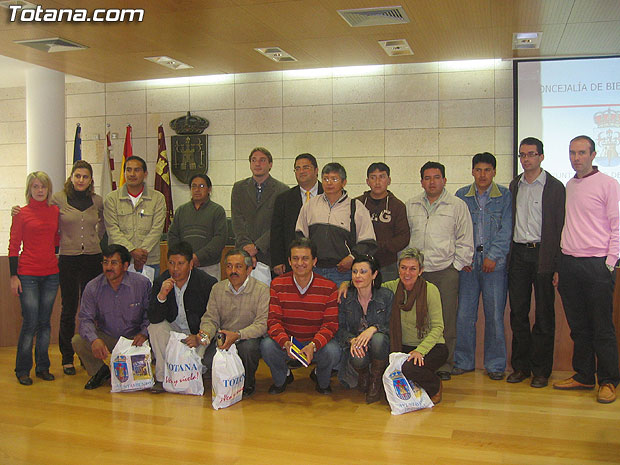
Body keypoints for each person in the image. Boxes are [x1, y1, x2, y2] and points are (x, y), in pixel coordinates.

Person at [10, 160, 106, 376]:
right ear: (71, 177)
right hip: (68, 260)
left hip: (92, 258)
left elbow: (102, 227)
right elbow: (36, 213)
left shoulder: (98, 201)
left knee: (90, 311)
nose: (81, 180)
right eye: (77, 175)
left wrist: (93, 241)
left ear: (91, 180)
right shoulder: (58, 200)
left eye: (85, 176)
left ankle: (86, 355)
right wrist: (15, 209)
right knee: (69, 309)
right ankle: (66, 358)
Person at [554, 135, 620, 404]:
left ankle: (608, 380)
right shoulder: (569, 185)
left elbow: (617, 226)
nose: (576, 158)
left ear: (593, 155)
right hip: (569, 264)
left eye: (582, 153)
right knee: (578, 327)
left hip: (597, 265)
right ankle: (583, 375)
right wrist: (560, 265)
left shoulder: (609, 184)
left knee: (602, 327)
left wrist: (610, 262)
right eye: (572, 153)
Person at [338, 248, 447, 403]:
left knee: (408, 369)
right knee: (392, 372)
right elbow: (366, 282)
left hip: (431, 347)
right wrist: (345, 284)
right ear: (398, 269)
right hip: (401, 347)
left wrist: (420, 351)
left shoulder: (430, 290)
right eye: (403, 268)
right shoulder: (391, 288)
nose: (407, 273)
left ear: (421, 271)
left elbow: (438, 327)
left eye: (412, 269)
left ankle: (435, 385)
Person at [406, 161, 473, 380]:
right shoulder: (411, 205)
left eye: (436, 177)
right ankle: (421, 361)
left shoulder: (456, 205)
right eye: (427, 177)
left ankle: (445, 364)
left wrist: (454, 267)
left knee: (445, 320)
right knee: (418, 321)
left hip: (445, 272)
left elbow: (465, 240)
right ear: (421, 181)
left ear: (444, 180)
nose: (432, 182)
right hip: (417, 274)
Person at [507, 137, 565, 388]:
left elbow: (562, 227)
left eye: (531, 154)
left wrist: (557, 265)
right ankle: (521, 366)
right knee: (518, 313)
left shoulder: (555, 187)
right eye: (522, 155)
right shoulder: (514, 185)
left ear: (541, 156)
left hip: (543, 255)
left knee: (543, 314)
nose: (526, 159)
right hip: (518, 255)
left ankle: (541, 370)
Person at [453, 152, 512, 380]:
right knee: (464, 316)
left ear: (494, 172)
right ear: (472, 172)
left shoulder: (505, 196)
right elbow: (457, 231)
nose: (482, 174)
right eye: (478, 170)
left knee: (495, 316)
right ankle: (463, 361)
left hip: (494, 267)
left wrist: (493, 256)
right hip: (468, 266)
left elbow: (507, 229)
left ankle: (496, 365)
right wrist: (463, 257)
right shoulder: (462, 196)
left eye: (487, 170)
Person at [261, 238, 341, 394]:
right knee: (267, 346)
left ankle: (320, 378)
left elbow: (330, 325)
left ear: (314, 261)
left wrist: (313, 345)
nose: (300, 263)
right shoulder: (277, 284)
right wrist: (285, 343)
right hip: (288, 343)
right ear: (289, 261)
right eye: (295, 258)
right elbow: (273, 321)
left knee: (334, 352)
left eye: (305, 258)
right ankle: (283, 376)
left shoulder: (329, 287)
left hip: (315, 344)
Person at [72, 244, 151, 390]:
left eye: (114, 263)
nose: (108, 267)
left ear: (126, 266)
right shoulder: (92, 287)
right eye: (105, 262)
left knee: (156, 335)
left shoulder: (141, 284)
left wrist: (144, 333)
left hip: (134, 338)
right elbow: (85, 319)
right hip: (108, 337)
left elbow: (151, 314)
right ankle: (101, 372)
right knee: (78, 341)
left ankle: (123, 371)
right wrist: (95, 340)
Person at [9, 171, 59, 385]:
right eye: (36, 187)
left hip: (51, 274)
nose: (40, 191)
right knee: (30, 323)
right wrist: (13, 276)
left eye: (43, 187)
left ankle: (43, 367)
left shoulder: (55, 211)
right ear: (29, 189)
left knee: (44, 323)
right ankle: (22, 369)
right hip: (27, 274)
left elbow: (57, 239)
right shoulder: (21, 213)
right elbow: (13, 246)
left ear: (49, 190)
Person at [147, 241, 217, 393]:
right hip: (174, 331)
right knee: (155, 328)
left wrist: (199, 337)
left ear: (191, 264)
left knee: (200, 366)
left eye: (180, 263)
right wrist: (162, 296)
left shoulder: (207, 283)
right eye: (171, 263)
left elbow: (213, 318)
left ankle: (195, 375)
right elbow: (153, 318)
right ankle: (161, 378)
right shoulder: (161, 281)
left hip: (199, 332)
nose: (175, 269)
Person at [198, 248, 269, 398]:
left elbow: (262, 324)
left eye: (238, 266)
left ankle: (247, 384)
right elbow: (210, 318)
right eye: (229, 266)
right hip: (223, 336)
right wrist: (205, 333)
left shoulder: (262, 290)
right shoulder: (217, 289)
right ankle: (223, 385)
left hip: (247, 337)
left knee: (248, 350)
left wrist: (237, 335)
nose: (233, 271)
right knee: (208, 360)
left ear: (249, 269)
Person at [296, 162, 377, 287]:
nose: (329, 183)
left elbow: (368, 241)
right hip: (314, 271)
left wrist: (351, 258)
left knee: (342, 306)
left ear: (343, 182)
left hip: (343, 273)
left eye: (334, 179)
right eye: (326, 179)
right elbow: (300, 236)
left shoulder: (356, 207)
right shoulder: (310, 205)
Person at [337, 255, 392, 403]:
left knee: (378, 339)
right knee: (357, 355)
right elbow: (339, 329)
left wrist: (374, 328)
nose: (358, 276)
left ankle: (375, 379)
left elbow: (392, 327)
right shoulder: (345, 297)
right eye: (354, 272)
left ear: (374, 274)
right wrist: (351, 339)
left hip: (379, 346)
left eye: (363, 271)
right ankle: (363, 375)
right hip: (358, 345)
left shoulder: (386, 296)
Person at [103, 155, 166, 276]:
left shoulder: (157, 198)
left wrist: (141, 254)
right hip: (120, 261)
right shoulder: (112, 199)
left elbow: (157, 229)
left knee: (148, 294)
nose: (132, 174)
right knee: (121, 295)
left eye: (136, 170)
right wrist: (132, 251)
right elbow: (112, 230)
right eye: (128, 170)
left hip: (148, 260)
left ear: (145, 173)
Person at [231, 147, 288, 268]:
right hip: (242, 253)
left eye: (262, 160)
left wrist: (257, 246)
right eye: (253, 160)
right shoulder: (238, 188)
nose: (257, 163)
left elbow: (278, 225)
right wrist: (247, 246)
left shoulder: (282, 190)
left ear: (270, 164)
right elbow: (237, 221)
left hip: (269, 254)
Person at [271, 153, 323, 275]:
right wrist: (277, 261)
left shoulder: (329, 194)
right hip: (294, 263)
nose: (301, 171)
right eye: (297, 168)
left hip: (325, 263)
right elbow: (277, 232)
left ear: (316, 170)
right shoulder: (283, 199)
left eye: (306, 167)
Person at [167, 173, 227, 280]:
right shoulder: (181, 210)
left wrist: (197, 257)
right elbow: (172, 236)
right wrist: (183, 258)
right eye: (194, 186)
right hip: (183, 267)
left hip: (209, 266)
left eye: (202, 186)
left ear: (209, 189)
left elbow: (219, 239)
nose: (197, 189)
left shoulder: (217, 211)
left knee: (209, 296)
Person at [356, 162, 410, 281]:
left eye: (382, 177)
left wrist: (378, 247)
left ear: (389, 180)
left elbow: (403, 237)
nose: (377, 182)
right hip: (360, 264)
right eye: (373, 177)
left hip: (387, 265)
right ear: (367, 181)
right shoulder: (357, 204)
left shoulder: (398, 206)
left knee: (388, 298)